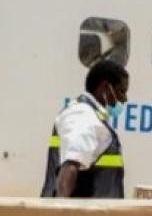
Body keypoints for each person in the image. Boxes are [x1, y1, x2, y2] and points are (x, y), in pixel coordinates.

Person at [42, 59, 129, 198]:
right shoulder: (83, 115)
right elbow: (70, 167)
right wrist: (59, 213)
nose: (125, 99)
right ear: (106, 88)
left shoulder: (92, 116)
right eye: (121, 91)